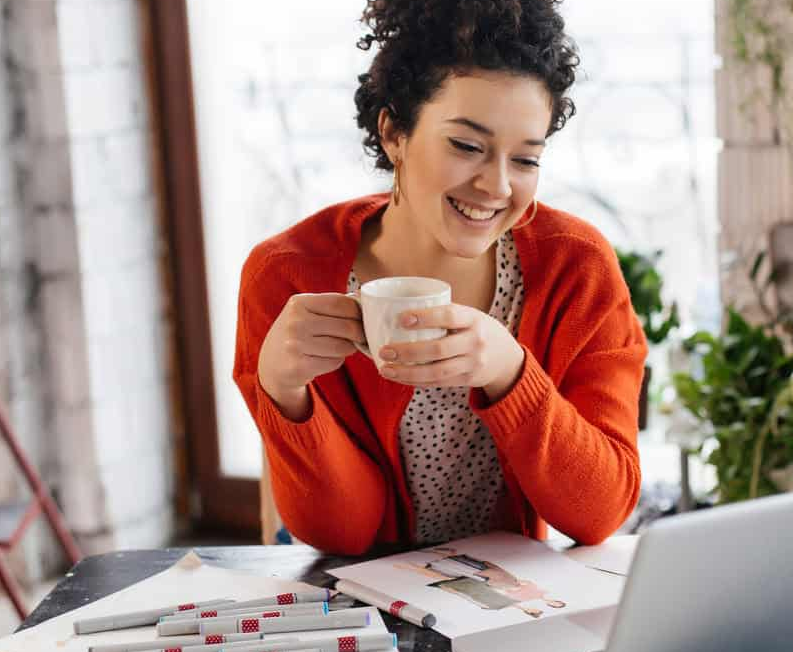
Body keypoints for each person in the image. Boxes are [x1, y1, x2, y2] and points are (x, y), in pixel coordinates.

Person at [233, 0, 647, 556]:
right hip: (359, 598)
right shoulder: (287, 276)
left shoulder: (576, 266)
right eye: (467, 146)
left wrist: (509, 371)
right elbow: (342, 534)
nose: (497, 186)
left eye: (526, 160)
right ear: (394, 133)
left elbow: (600, 512)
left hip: (510, 600)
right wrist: (284, 394)